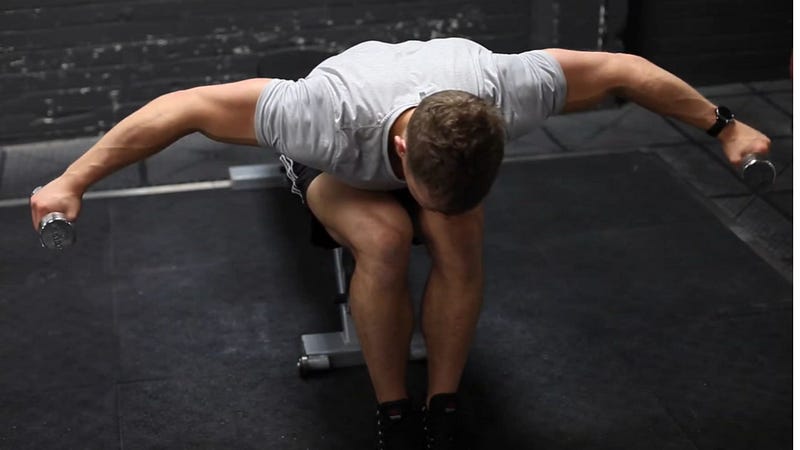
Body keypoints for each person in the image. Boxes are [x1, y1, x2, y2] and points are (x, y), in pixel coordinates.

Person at [29, 37, 771, 449]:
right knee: (384, 238)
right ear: (410, 149)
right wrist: (72, 179)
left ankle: (443, 407)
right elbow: (182, 109)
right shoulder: (318, 115)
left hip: (425, 144)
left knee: (458, 231)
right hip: (340, 166)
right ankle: (393, 415)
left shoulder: (505, 87)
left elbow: (623, 71)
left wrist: (725, 125)